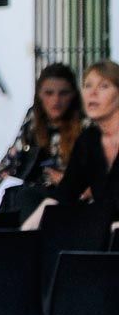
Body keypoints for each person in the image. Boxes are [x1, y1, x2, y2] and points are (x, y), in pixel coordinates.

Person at [0, 62, 83, 215]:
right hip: (33, 192)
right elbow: (14, 157)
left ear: (73, 94)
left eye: (63, 93)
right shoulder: (34, 119)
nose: (56, 101)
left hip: (68, 199)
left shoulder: (85, 124)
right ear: (39, 95)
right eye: (49, 93)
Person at [45, 60, 119, 231]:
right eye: (87, 86)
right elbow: (63, 195)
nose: (92, 93)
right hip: (104, 241)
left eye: (104, 86)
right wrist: (21, 235)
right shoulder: (89, 140)